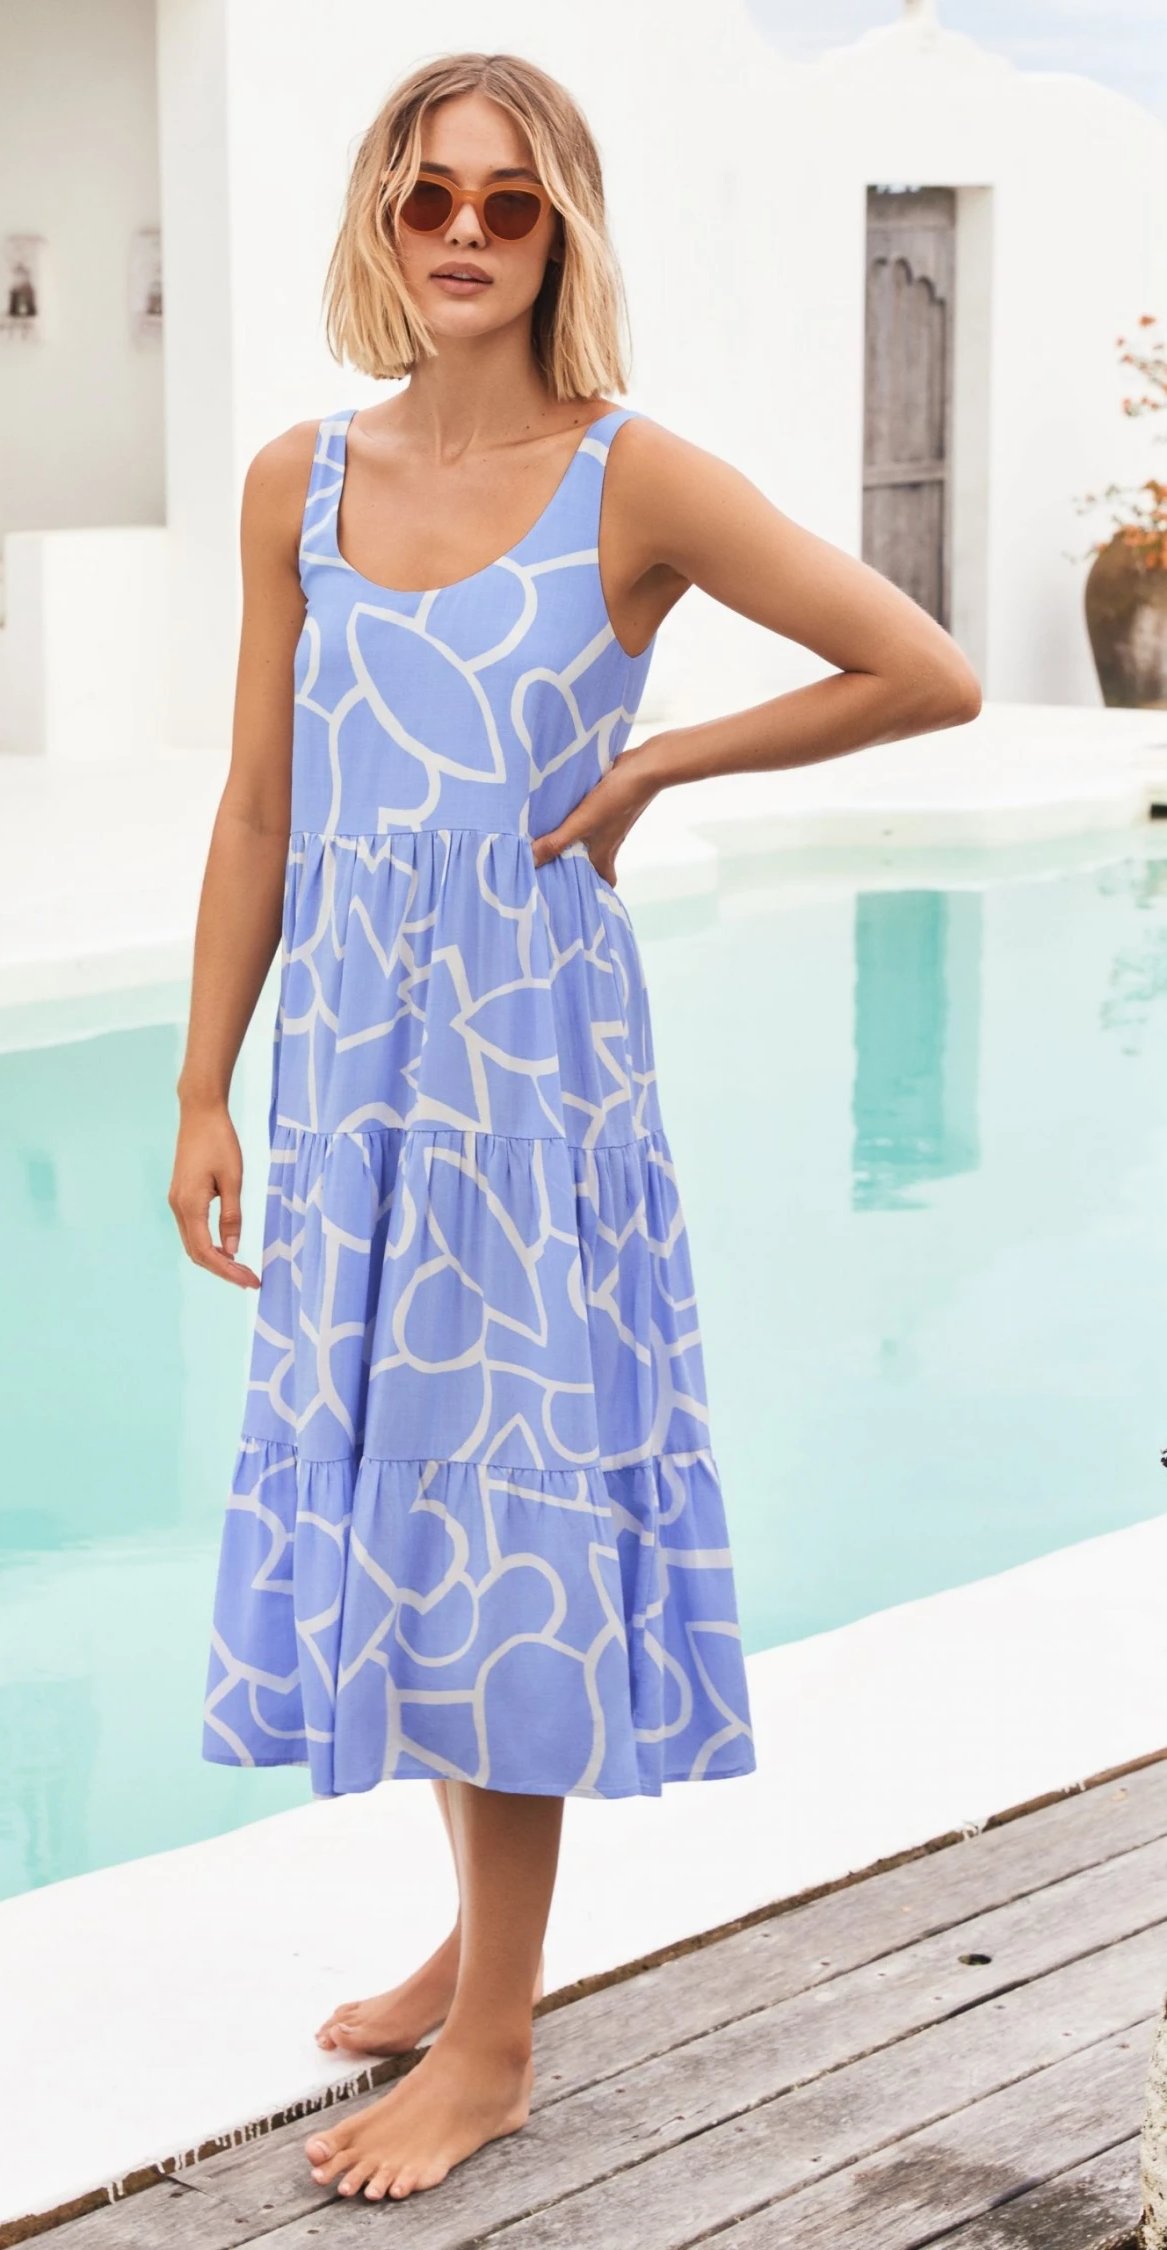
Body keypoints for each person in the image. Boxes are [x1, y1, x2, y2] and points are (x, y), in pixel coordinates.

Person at [169, 50, 981, 2207]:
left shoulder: (633, 478)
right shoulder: (296, 481)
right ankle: (477, 1945)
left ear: (561, 232)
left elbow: (924, 669)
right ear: (381, 215)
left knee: (500, 1502)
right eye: (428, 194)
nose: (463, 232)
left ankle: (500, 2042)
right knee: (415, 1482)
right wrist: (202, 1084)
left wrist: (657, 764)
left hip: (528, 1077)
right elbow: (257, 809)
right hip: (353, 1072)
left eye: (507, 202)